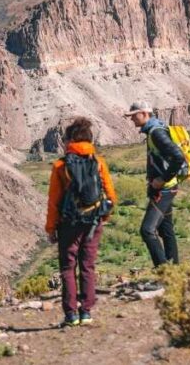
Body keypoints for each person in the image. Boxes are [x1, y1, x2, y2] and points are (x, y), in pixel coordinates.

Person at [45, 117, 117, 327]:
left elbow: (54, 201)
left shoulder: (60, 165)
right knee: (88, 265)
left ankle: (71, 314)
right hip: (94, 221)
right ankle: (86, 311)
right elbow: (111, 194)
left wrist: (51, 228)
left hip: (69, 223)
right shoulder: (99, 161)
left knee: (68, 267)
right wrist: (103, 215)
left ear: (69, 140)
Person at [124, 101, 186, 267]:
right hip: (167, 187)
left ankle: (164, 272)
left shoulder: (156, 133)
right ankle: (175, 271)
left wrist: (162, 179)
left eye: (134, 116)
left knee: (147, 230)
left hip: (164, 189)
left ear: (144, 113)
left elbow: (179, 157)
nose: (131, 120)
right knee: (166, 231)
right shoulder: (155, 130)